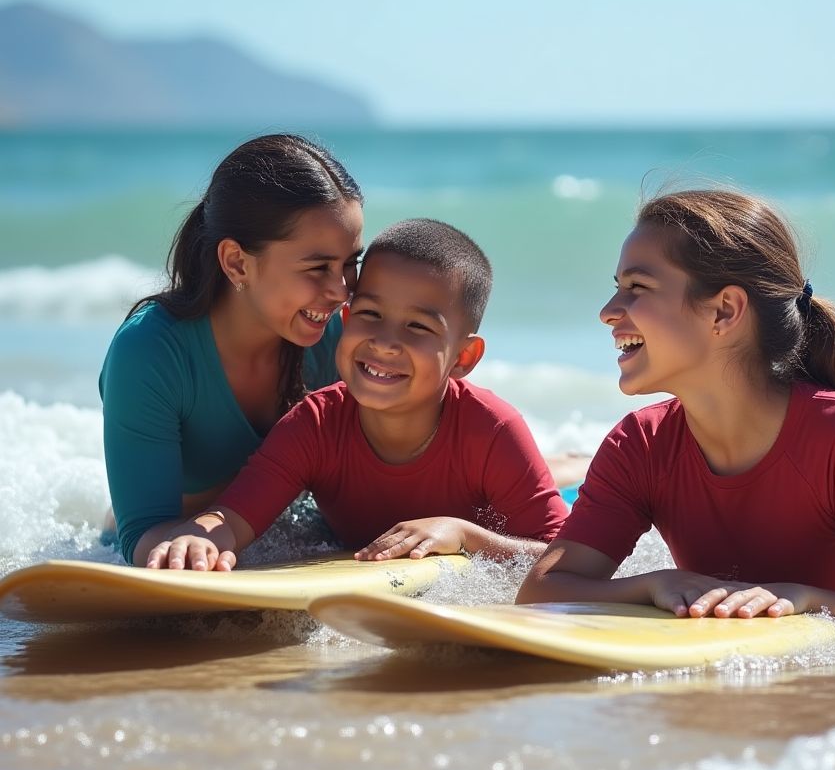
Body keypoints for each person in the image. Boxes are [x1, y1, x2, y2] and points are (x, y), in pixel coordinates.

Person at [518, 190, 835, 619]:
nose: (609, 312)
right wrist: (651, 583)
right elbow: (541, 592)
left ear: (725, 310)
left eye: (637, 288)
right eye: (617, 289)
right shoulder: (640, 444)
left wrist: (806, 598)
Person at [145, 218, 568, 571]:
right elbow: (233, 518)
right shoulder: (314, 424)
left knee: (567, 486)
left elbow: (564, 554)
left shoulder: (492, 431)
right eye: (370, 315)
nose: (385, 343)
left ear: (464, 356)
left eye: (418, 327)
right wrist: (197, 541)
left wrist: (463, 535)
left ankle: (572, 463)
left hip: (494, 512)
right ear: (345, 319)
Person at [100, 134, 365, 567]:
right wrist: (197, 553)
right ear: (237, 262)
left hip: (271, 538)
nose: (340, 290)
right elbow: (142, 531)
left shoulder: (331, 337)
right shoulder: (149, 353)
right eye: (318, 267)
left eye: (349, 264)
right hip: (160, 548)